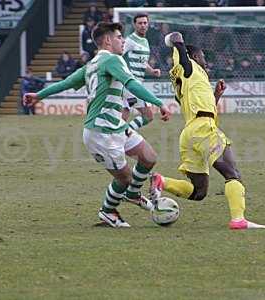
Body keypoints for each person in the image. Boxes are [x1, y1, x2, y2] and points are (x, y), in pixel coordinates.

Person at [23, 22, 171, 228]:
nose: (123, 40)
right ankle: (108, 211)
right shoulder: (112, 60)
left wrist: (39, 95)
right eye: (119, 37)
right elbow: (132, 83)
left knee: (148, 157)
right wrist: (159, 102)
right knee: (125, 178)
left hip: (116, 126)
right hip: (100, 133)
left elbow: (65, 83)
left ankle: (133, 195)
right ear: (108, 40)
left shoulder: (91, 65)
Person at [150, 32, 265, 230]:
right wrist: (173, 41)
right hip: (204, 129)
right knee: (233, 175)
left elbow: (199, 104)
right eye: (203, 56)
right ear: (194, 57)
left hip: (189, 133)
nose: (206, 61)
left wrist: (216, 96)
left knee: (198, 191)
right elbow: (177, 38)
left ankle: (161, 181)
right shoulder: (190, 68)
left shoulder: (187, 82)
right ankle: (238, 219)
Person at [122, 13, 161, 131]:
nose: (143, 26)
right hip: (131, 84)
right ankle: (125, 134)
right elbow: (117, 55)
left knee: (125, 112)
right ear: (134, 25)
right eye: (140, 23)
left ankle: (118, 136)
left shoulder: (145, 41)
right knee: (148, 116)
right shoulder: (129, 41)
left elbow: (143, 62)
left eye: (145, 23)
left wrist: (152, 71)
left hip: (136, 84)